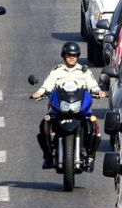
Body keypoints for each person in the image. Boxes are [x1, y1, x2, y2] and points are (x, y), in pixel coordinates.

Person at [31, 41, 105, 170]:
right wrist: (39, 92)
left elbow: (92, 84)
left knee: (93, 125)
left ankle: (90, 156)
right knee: (44, 123)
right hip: (60, 107)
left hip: (80, 108)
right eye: (69, 54)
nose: (72, 57)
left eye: (75, 55)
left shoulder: (84, 71)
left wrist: (99, 91)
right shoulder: (56, 71)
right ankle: (48, 155)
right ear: (64, 56)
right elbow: (47, 84)